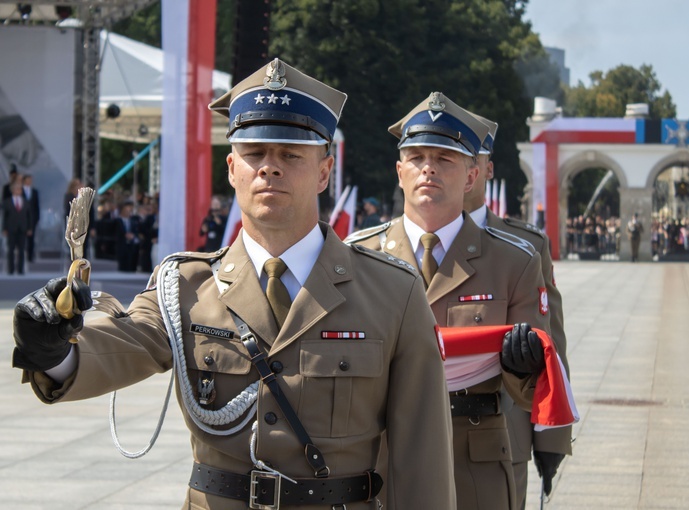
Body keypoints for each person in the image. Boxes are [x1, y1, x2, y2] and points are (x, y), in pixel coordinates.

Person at [12, 58, 456, 510]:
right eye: (255, 153)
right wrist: (54, 350)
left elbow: (423, 457)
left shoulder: (393, 291)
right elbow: (122, 342)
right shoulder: (185, 285)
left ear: (324, 171)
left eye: (290, 154)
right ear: (231, 168)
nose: (269, 168)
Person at [346, 92, 551, 510]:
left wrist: (522, 366)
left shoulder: (514, 261)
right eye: (417, 157)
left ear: (472, 176)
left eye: (444, 159)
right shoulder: (356, 258)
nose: (428, 168)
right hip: (381, 458)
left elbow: (534, 388)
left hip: (472, 459)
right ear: (399, 171)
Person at [464, 115, 572, 507]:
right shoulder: (382, 249)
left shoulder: (525, 245)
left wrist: (552, 435)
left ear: (485, 168)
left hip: (503, 434)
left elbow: (551, 344)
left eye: (468, 156)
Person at [2, 179, 33, 274]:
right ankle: (10, 270)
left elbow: (29, 216)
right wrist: (4, 228)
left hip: (22, 229)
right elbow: (4, 217)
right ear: (13, 190)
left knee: (21, 250)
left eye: (20, 189)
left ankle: (20, 270)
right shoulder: (7, 202)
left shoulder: (25, 202)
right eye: (17, 189)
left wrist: (29, 228)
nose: (19, 190)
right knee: (10, 250)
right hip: (11, 229)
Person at [114, 200, 140, 272]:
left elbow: (136, 230)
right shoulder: (117, 221)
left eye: (129, 210)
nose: (128, 212)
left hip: (131, 245)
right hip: (121, 244)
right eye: (126, 210)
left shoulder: (133, 220)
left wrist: (133, 235)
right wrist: (124, 235)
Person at [22, 173, 40, 262]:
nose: (29, 181)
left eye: (30, 180)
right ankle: (21, 256)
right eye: (28, 180)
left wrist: (37, 218)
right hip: (22, 218)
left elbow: (37, 206)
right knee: (21, 238)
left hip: (32, 219)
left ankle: (30, 256)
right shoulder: (20, 191)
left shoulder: (34, 192)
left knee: (31, 238)